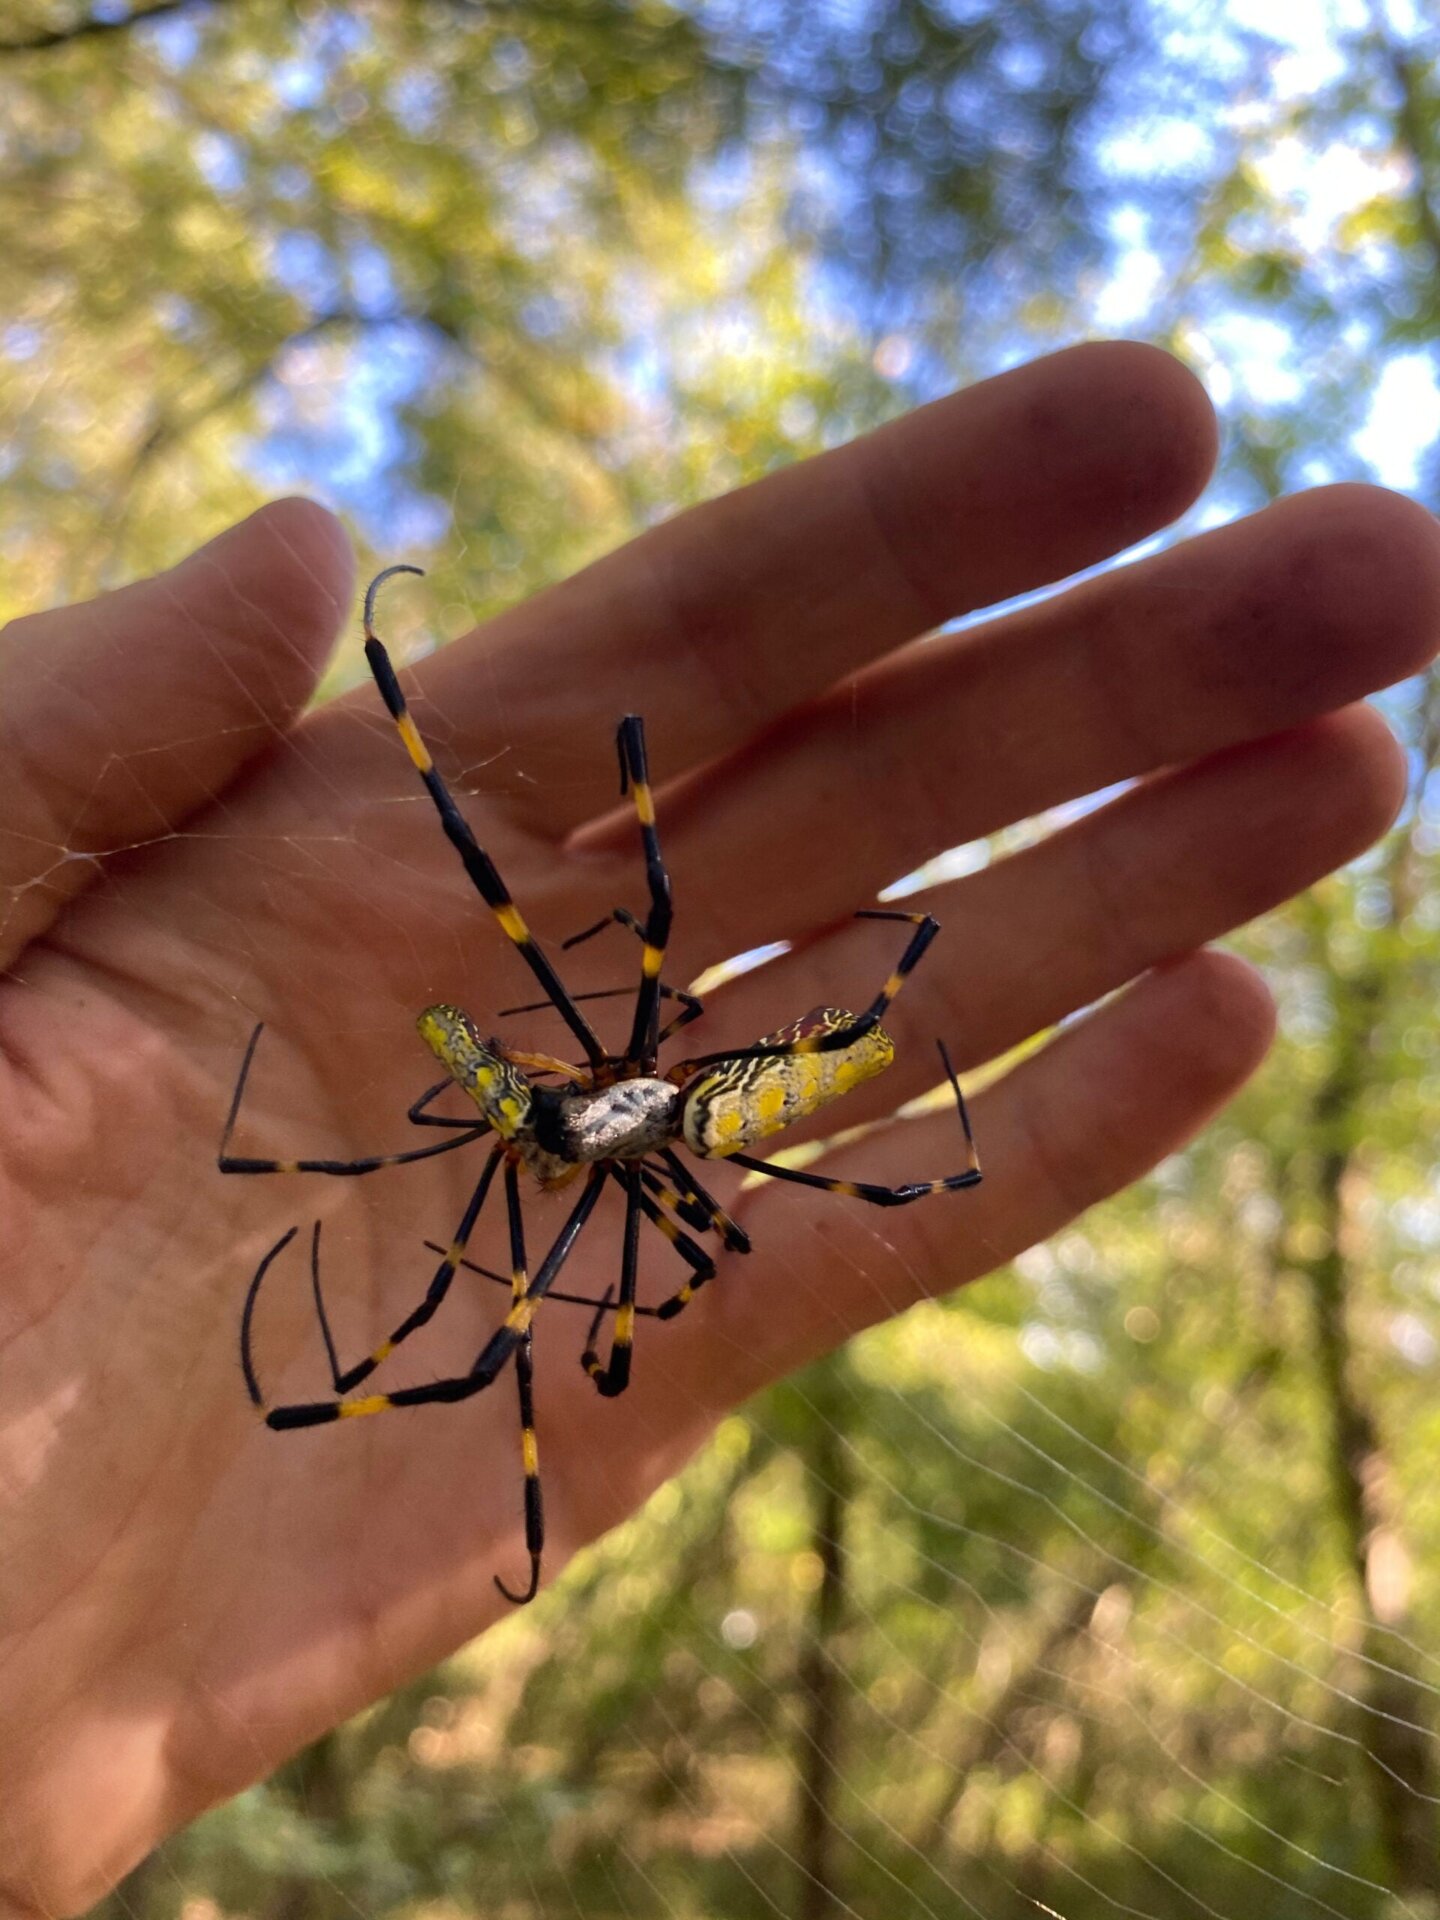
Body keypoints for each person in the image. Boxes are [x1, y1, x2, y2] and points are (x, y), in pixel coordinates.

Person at [2, 341, 1437, 1916]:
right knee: (539, 1243)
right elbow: (558, 1182)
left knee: (621, 1154)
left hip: (691, 1096)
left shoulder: (638, 1132)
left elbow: (684, 1180)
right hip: (654, 1098)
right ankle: (451, 758)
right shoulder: (564, 1121)